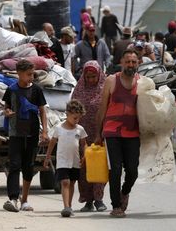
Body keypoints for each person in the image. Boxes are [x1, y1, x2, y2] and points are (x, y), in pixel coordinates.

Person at [95, 49, 141, 218]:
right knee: (115, 169)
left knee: (132, 170)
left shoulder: (141, 82)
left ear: (138, 63)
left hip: (133, 132)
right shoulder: (111, 80)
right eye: (127, 62)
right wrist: (98, 134)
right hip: (112, 131)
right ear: (122, 63)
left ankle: (125, 191)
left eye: (133, 62)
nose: (130, 65)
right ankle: (116, 206)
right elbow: (102, 108)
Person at [2, 59, 48, 212]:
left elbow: (42, 111)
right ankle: (13, 199)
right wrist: (7, 112)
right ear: (19, 74)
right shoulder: (12, 90)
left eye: (32, 74)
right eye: (28, 74)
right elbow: (6, 108)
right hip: (15, 134)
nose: (31, 77)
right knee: (14, 165)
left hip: (32, 134)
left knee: (28, 167)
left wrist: (45, 131)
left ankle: (25, 200)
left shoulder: (37, 90)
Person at [71, 61, 107, 212]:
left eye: (94, 77)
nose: (91, 80)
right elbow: (72, 111)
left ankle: (99, 199)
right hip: (82, 136)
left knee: (99, 166)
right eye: (88, 77)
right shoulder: (79, 91)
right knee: (84, 168)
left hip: (100, 134)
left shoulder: (105, 89)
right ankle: (87, 200)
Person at [44, 100, 88, 217]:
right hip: (62, 161)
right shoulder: (58, 128)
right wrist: (47, 157)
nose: (76, 120)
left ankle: (69, 206)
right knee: (65, 182)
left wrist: (84, 156)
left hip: (75, 161)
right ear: (67, 114)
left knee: (72, 183)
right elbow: (52, 142)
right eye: (74, 118)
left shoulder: (80, 129)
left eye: (78, 118)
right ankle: (66, 207)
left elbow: (84, 144)